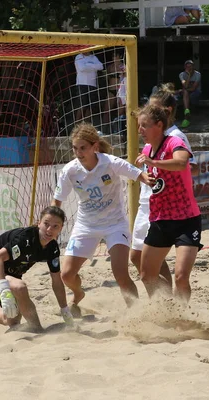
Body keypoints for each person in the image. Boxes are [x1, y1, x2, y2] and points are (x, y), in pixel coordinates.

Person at [51, 123, 154, 311]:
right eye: (75, 148)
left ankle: (137, 314)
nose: (79, 153)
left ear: (94, 147)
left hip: (115, 224)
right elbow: (57, 201)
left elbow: (138, 174)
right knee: (66, 275)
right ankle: (78, 293)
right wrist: (51, 224)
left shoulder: (110, 162)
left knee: (121, 275)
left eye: (83, 148)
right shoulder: (70, 170)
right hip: (86, 225)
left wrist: (148, 179)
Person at [129, 88, 198, 295]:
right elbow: (153, 174)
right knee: (141, 265)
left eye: (143, 125)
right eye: (138, 125)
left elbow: (185, 164)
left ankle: (180, 314)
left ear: (162, 119)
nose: (139, 130)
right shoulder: (147, 148)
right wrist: (146, 176)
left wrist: (155, 163)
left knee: (181, 276)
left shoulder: (175, 138)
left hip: (184, 216)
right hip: (158, 214)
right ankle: (164, 305)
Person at [0, 206, 73, 332]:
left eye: (55, 226)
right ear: (39, 223)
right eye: (46, 224)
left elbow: (56, 281)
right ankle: (37, 329)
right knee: (20, 287)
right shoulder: (26, 238)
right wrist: (4, 291)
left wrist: (65, 310)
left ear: (61, 228)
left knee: (12, 320)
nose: (49, 230)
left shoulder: (52, 247)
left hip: (11, 275)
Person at [74, 52, 103, 123]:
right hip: (82, 84)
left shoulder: (94, 57)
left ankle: (86, 126)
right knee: (82, 105)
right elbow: (82, 68)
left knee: (91, 106)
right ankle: (77, 125)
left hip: (92, 84)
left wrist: (88, 65)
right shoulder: (79, 56)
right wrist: (93, 66)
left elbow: (101, 66)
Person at [176, 60, 202, 128]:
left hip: (195, 91)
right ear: (185, 68)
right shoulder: (181, 74)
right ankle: (186, 113)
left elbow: (193, 88)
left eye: (191, 67)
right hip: (186, 92)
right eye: (187, 67)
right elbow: (185, 86)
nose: (189, 68)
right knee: (184, 93)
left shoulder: (198, 74)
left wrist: (184, 89)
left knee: (187, 93)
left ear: (193, 67)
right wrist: (189, 76)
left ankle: (186, 115)